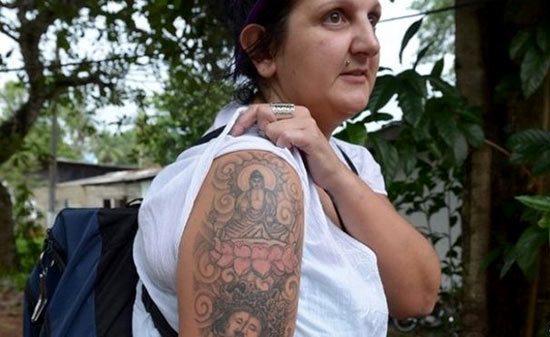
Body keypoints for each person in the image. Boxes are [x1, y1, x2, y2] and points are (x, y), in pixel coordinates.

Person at [131, 0, 441, 336]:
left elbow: (417, 297)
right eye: (334, 17)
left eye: (372, 18)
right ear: (263, 51)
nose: (370, 43)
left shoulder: (348, 160)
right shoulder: (254, 172)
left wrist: (335, 175)